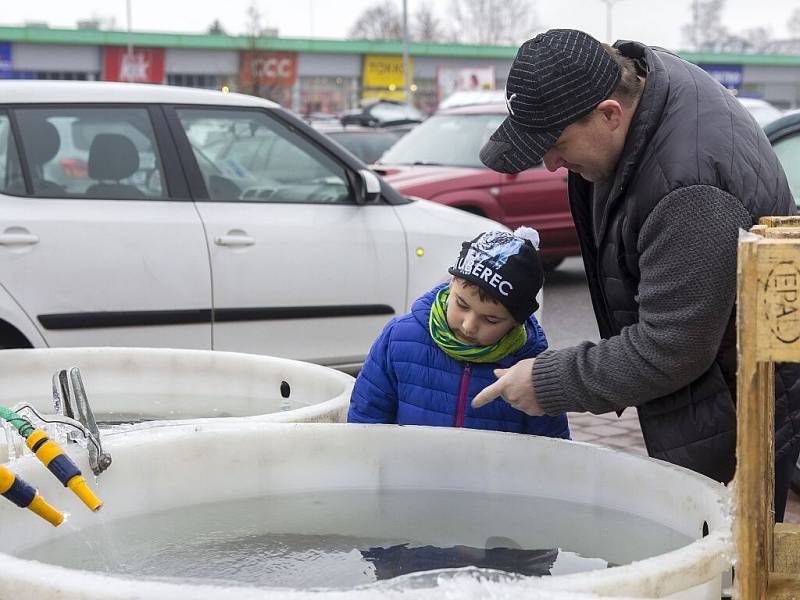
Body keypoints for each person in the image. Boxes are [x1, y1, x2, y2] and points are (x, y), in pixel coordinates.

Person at [473, 28, 800, 521]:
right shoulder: (648, 81)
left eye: (558, 143)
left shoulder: (688, 189)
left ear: (610, 113)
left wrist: (547, 382)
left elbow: (671, 349)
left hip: (734, 413)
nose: (549, 164)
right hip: (715, 387)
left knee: (721, 564)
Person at [347, 227, 569, 439]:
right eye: (462, 305)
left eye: (491, 319)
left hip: (493, 478)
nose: (469, 325)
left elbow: (552, 446)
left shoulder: (528, 364)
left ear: (516, 322)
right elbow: (366, 418)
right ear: (452, 283)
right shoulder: (399, 337)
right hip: (408, 476)